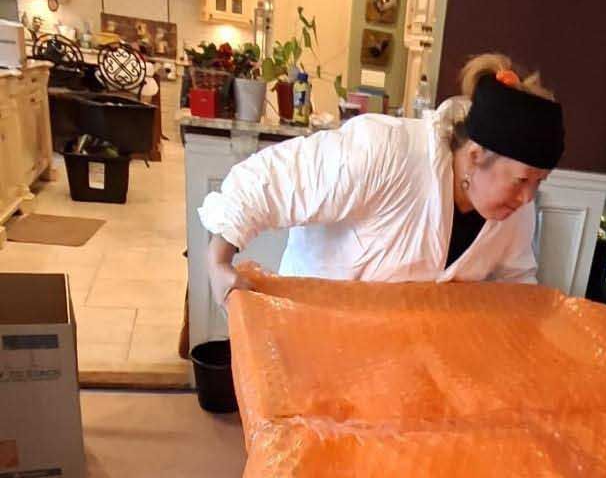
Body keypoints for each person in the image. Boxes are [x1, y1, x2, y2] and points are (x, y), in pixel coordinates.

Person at [202, 52, 565, 306]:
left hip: (403, 364)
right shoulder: (385, 152)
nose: (527, 197)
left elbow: (516, 285)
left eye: (539, 182)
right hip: (314, 333)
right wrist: (218, 263)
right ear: (475, 155)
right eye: (521, 180)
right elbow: (266, 182)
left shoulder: (514, 211)